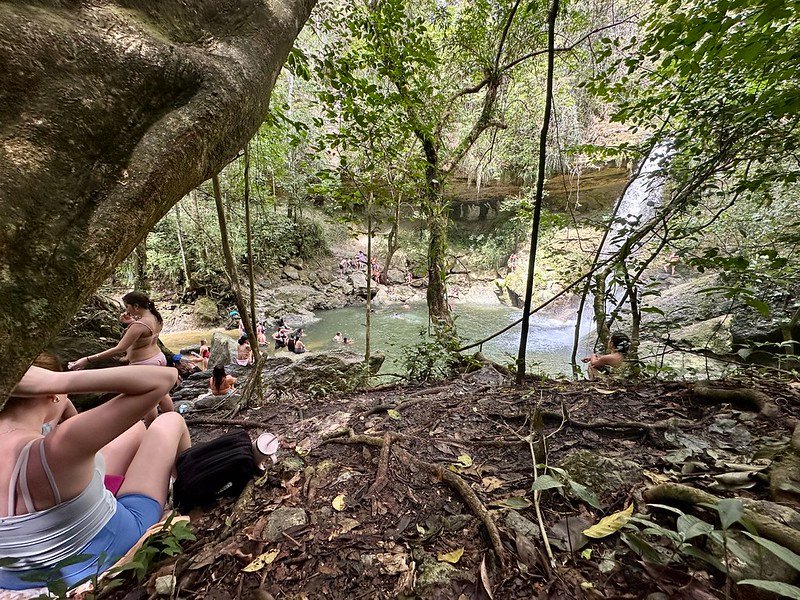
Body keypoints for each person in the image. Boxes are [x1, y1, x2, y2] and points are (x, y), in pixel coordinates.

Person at [0, 353, 190, 591]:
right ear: (49, 391)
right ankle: (192, 501)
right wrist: (56, 381)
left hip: (12, 576)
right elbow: (164, 378)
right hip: (98, 551)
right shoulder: (59, 444)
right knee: (169, 421)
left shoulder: (54, 445)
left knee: (134, 428)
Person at [68, 291, 173, 423]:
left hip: (144, 364)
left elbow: (119, 348)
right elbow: (144, 337)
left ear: (136, 306)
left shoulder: (138, 325)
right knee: (162, 393)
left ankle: (150, 427)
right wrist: (130, 323)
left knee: (146, 399)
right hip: (158, 357)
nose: (126, 310)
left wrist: (87, 359)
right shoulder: (156, 317)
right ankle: (172, 420)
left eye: (127, 306)